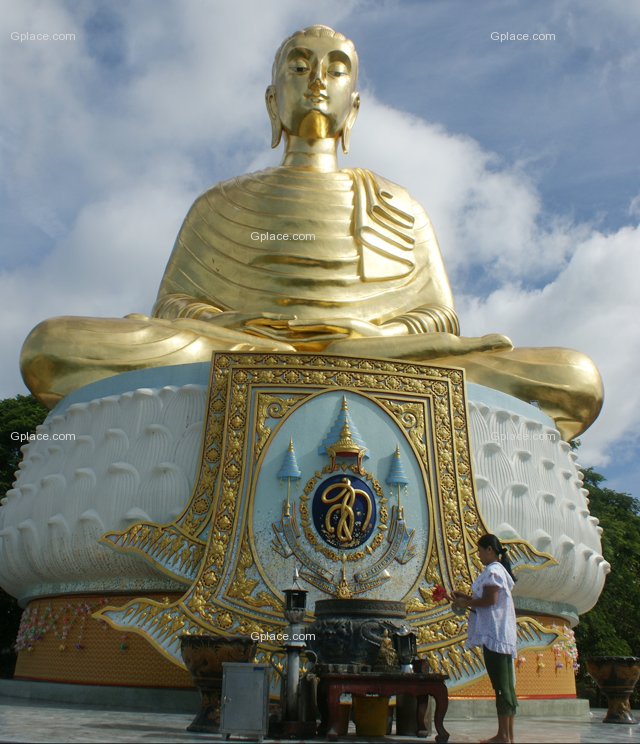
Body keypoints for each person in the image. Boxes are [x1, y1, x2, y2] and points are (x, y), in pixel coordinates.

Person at [20, 24, 602, 443]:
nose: (317, 79)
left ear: (356, 106)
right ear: (273, 100)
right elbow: (175, 309)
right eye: (299, 66)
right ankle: (287, 357)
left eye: (335, 67)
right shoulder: (220, 203)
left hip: (381, 356)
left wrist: (362, 333)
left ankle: (323, 356)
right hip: (238, 351)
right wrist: (234, 329)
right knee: (52, 347)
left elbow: (438, 322)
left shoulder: (397, 204)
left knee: (573, 379)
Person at [452, 534, 518, 744]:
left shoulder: (493, 571)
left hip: (495, 634)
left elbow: (491, 600)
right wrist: (465, 599)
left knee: (501, 685)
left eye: (480, 551)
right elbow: (489, 600)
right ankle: (508, 734)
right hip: (502, 634)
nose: (478, 555)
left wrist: (465, 604)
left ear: (490, 550)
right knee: (506, 685)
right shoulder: (500, 570)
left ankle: (503, 735)